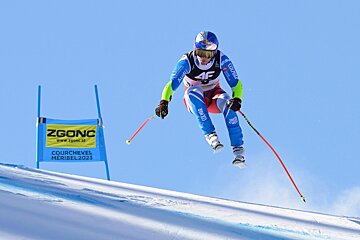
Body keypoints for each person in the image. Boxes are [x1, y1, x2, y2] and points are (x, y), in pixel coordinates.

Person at [155, 31, 245, 168]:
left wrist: (237, 99)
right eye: (200, 53)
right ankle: (210, 134)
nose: (203, 58)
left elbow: (236, 83)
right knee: (193, 91)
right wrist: (164, 102)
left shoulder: (222, 59)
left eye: (208, 55)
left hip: (213, 95)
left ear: (214, 53)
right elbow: (172, 84)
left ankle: (238, 150)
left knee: (227, 102)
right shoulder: (187, 61)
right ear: (195, 49)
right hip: (194, 100)